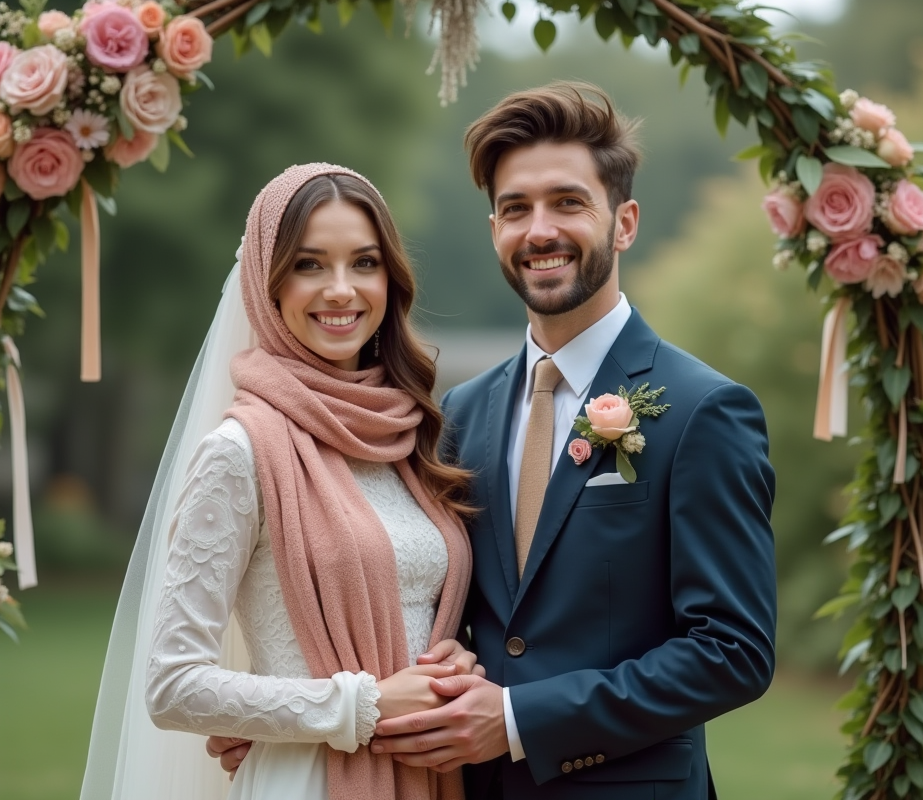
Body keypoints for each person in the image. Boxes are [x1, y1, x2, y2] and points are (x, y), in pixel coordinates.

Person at [212, 82, 778, 799]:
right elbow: (433, 602)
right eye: (516, 209)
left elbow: (733, 653)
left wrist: (516, 718)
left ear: (625, 222)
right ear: (494, 232)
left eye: (568, 203)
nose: (539, 231)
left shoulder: (704, 411)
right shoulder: (457, 416)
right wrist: (288, 715)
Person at [79, 163, 481, 800]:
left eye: (365, 263)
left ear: (392, 278)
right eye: (310, 264)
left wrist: (453, 661)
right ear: (267, 283)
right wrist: (363, 704)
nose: (342, 290)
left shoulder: (405, 434)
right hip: (308, 781)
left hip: (428, 776)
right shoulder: (239, 452)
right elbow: (172, 683)